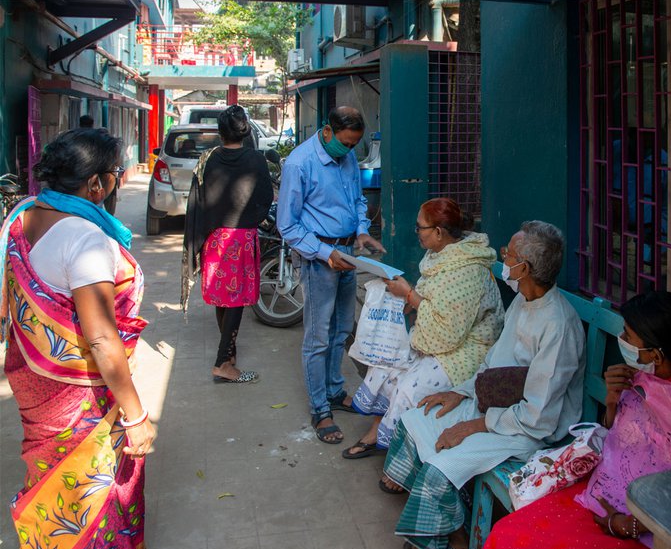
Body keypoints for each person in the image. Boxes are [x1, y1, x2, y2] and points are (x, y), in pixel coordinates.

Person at [481, 290, 671, 549]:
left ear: (655, 354)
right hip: (607, 493)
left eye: (628, 336)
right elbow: (620, 440)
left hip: (657, 530)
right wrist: (612, 402)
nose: (621, 341)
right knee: (508, 533)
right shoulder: (643, 377)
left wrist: (631, 525)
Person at [382, 221, 586, 549]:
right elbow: (493, 360)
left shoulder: (558, 326)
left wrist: (472, 426)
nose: (504, 257)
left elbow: (538, 415)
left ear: (526, 268)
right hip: (493, 405)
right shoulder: (523, 299)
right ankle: (446, 519)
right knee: (414, 420)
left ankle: (454, 538)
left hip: (527, 428)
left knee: (440, 466)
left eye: (510, 254)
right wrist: (461, 391)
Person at [0, 128, 154, 549]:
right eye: (116, 174)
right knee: (91, 484)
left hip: (35, 380)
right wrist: (136, 414)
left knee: (52, 477)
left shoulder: (24, 214)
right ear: (96, 184)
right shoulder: (84, 238)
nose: (118, 182)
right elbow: (102, 337)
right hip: (79, 391)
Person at [340, 197, 505, 459]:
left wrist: (409, 295)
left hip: (467, 350)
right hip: (438, 338)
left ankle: (400, 456)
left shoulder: (468, 270)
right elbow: (432, 302)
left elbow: (448, 333)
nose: (416, 232)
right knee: (386, 363)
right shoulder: (440, 255)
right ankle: (377, 431)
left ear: (438, 232)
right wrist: (406, 299)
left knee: (408, 386)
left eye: (420, 228)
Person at [277, 106, 386, 444]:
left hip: (347, 254)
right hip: (319, 260)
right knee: (318, 337)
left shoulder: (348, 157)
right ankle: (320, 407)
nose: (349, 150)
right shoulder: (299, 163)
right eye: (345, 143)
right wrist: (326, 254)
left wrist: (362, 230)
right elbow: (288, 225)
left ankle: (336, 391)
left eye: (354, 145)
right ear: (327, 131)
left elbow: (357, 201)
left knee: (341, 330)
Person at [182, 105, 273, 383]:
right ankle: (223, 362)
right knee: (235, 300)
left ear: (219, 132)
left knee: (224, 297)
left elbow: (199, 199)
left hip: (215, 236)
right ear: (245, 131)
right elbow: (266, 198)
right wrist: (251, 220)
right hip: (241, 237)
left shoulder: (208, 159)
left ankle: (229, 353)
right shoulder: (256, 160)